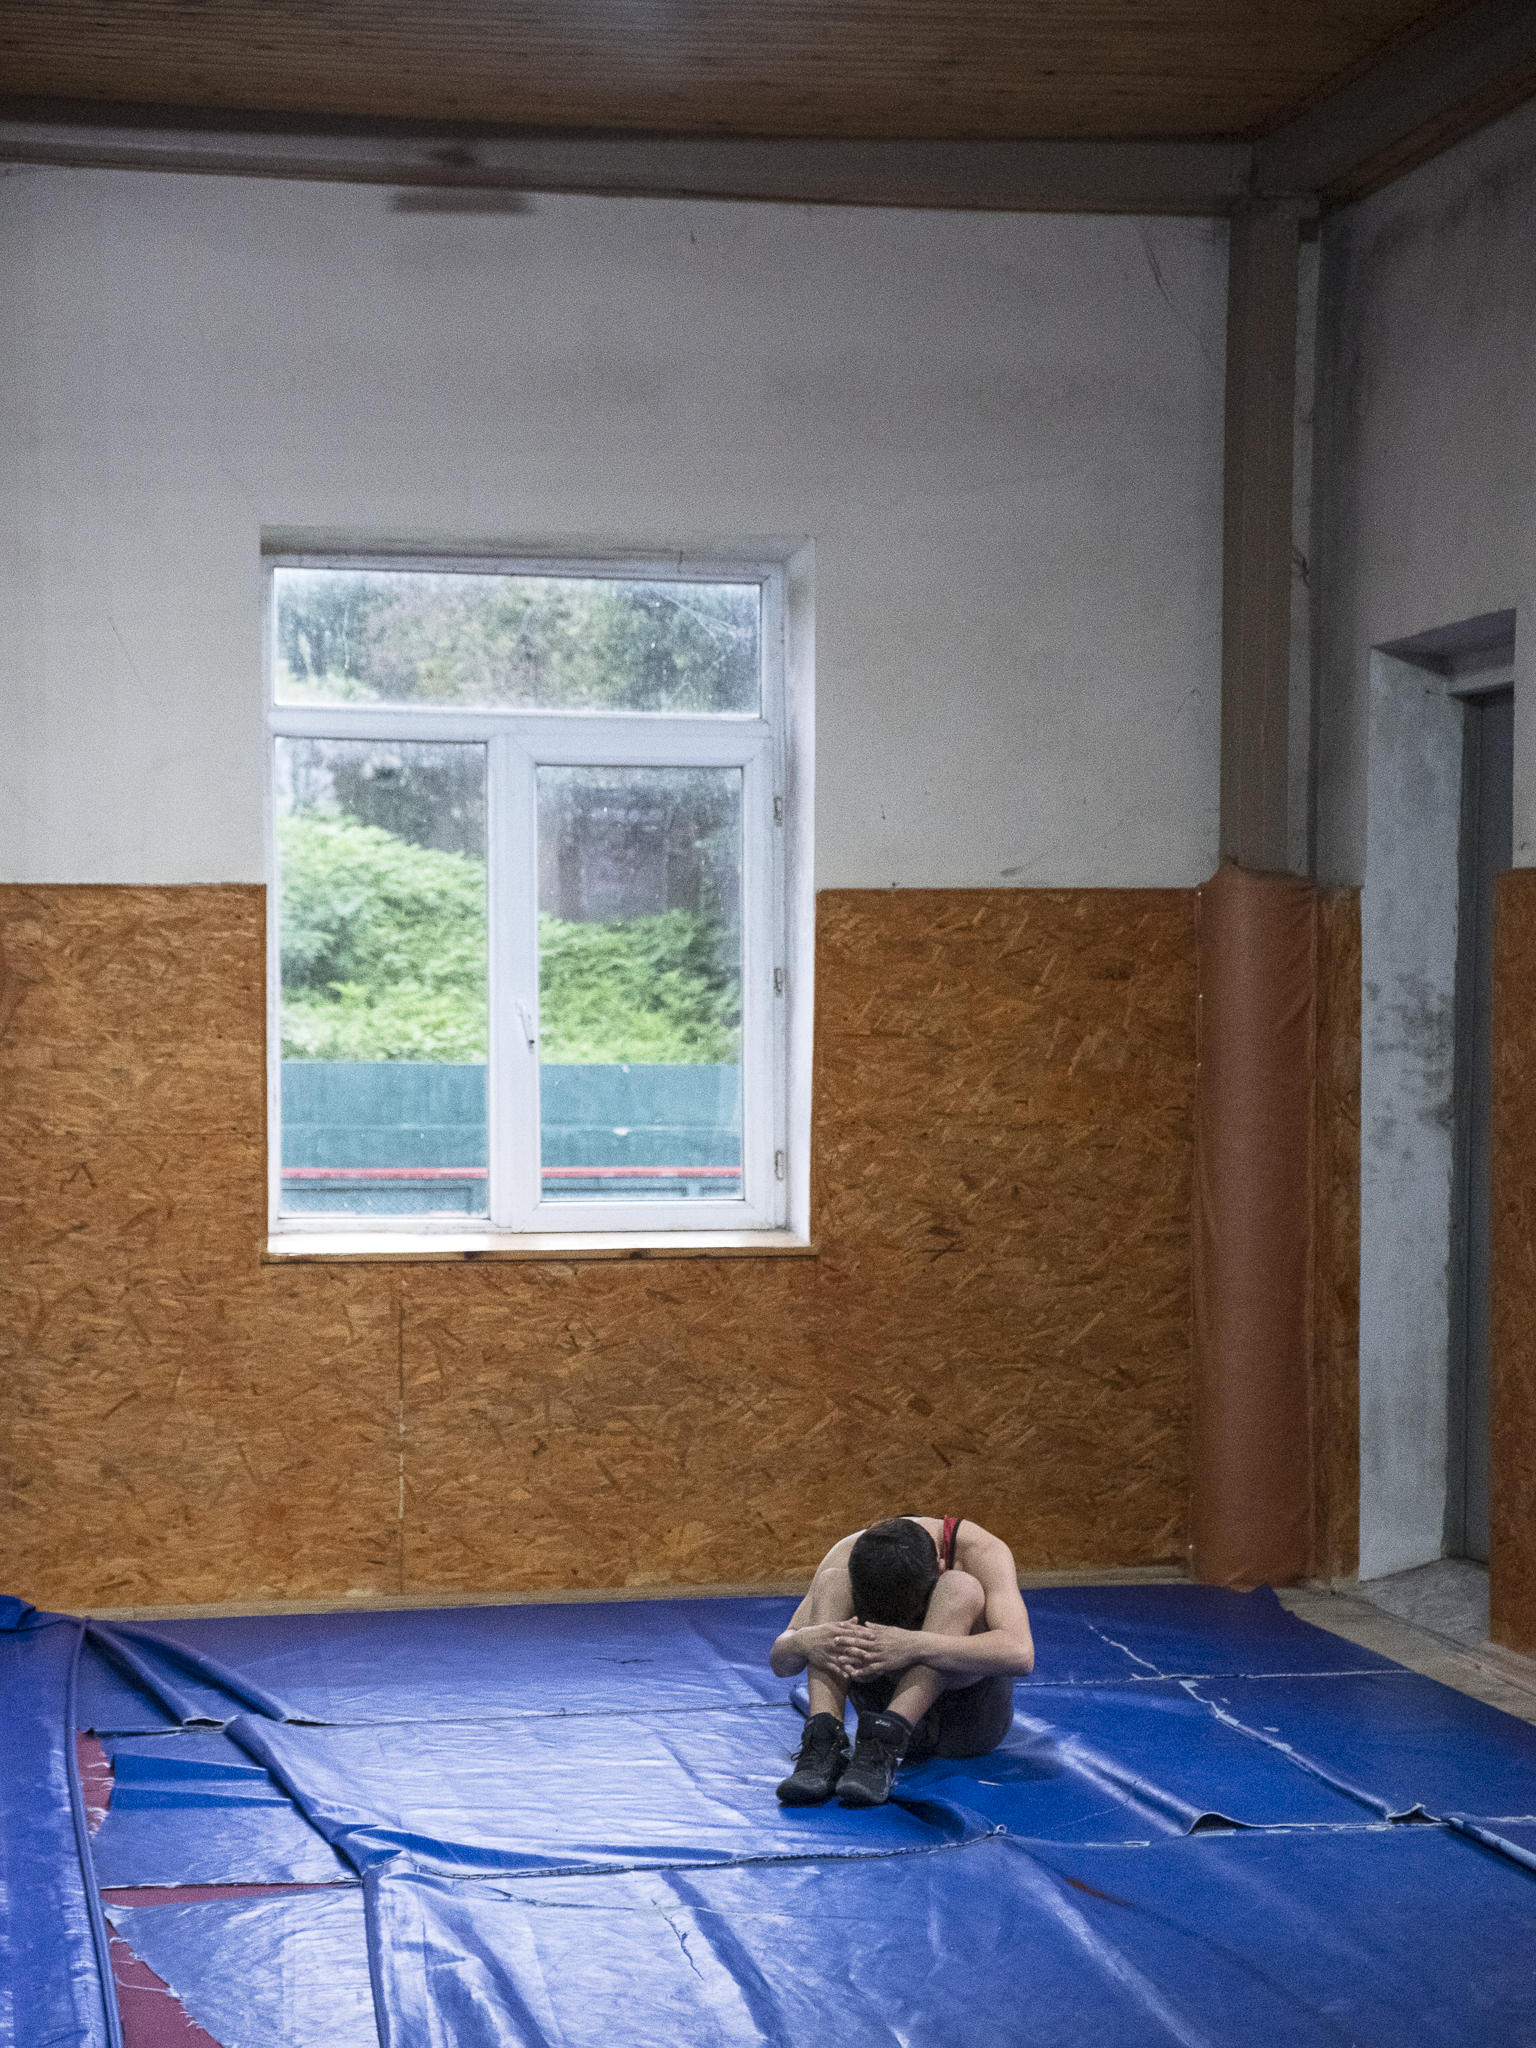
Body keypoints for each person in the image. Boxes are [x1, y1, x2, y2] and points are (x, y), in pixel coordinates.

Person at [768, 1514, 1035, 1808]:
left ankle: (888, 1738)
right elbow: (782, 1663)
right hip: (876, 1706)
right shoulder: (847, 1555)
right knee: (833, 1582)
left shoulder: (981, 1552)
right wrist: (804, 1641)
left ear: (940, 1567)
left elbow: (1021, 1655)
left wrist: (915, 1645)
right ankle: (823, 1740)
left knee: (960, 1587)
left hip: (964, 1720)